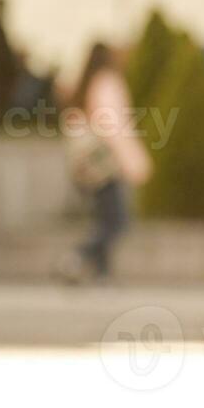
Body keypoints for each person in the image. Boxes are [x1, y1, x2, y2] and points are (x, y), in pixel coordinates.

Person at [55, 42, 152, 284]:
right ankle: (76, 257)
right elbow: (115, 128)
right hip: (106, 165)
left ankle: (102, 274)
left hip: (90, 166)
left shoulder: (88, 82)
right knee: (117, 222)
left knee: (106, 220)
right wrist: (135, 161)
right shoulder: (107, 82)